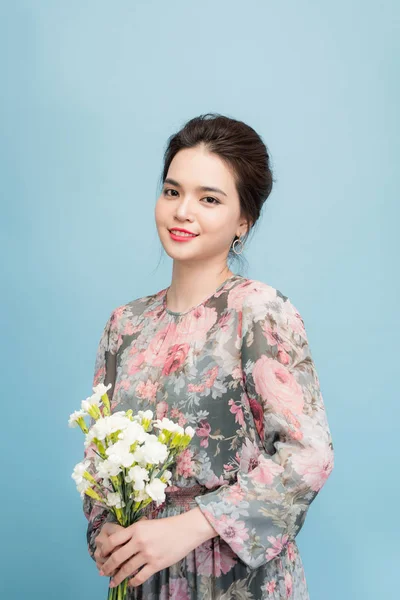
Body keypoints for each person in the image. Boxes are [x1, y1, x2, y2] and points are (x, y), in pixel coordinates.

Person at [82, 113, 335, 599]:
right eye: (173, 191)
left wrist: (192, 526)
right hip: (142, 576)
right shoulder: (125, 326)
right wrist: (107, 534)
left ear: (244, 220)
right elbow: (99, 454)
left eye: (209, 199)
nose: (182, 211)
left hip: (236, 578)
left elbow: (309, 455)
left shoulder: (259, 312)